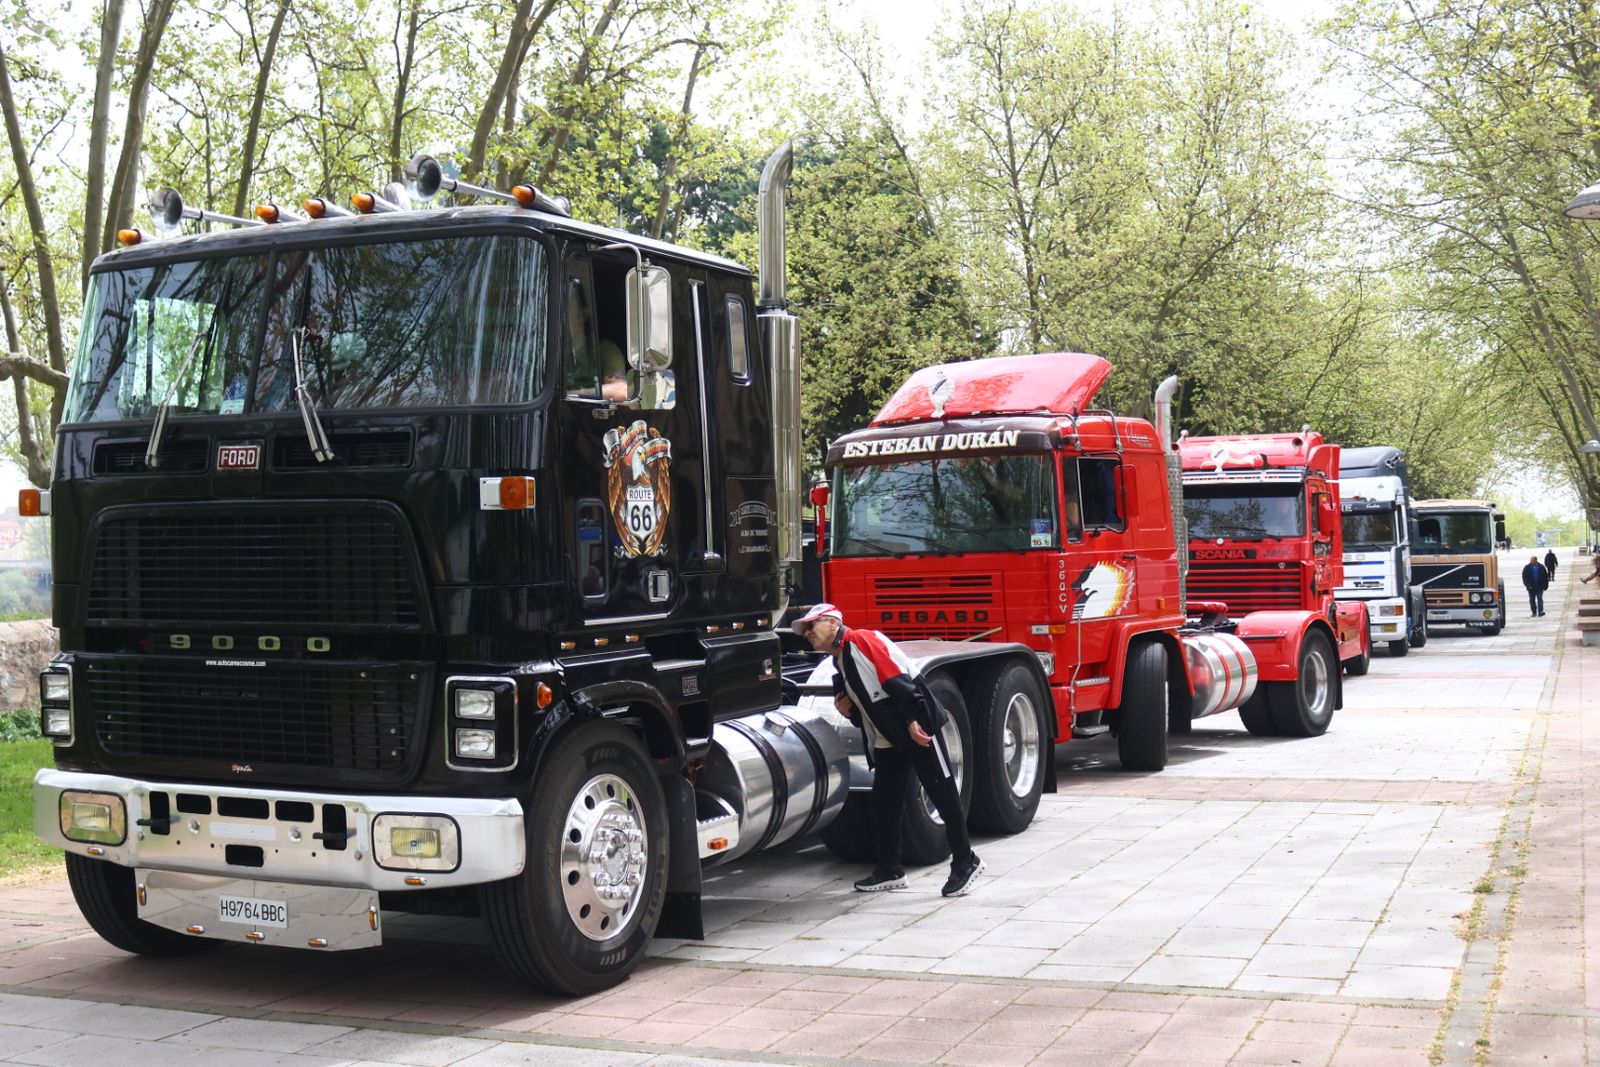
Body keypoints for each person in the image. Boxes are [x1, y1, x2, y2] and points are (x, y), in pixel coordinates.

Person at [794, 603, 983, 897]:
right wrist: (848, 712)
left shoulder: (860, 640)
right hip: (889, 738)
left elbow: (895, 676)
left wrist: (912, 719)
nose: (807, 632)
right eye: (804, 629)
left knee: (942, 793)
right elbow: (866, 706)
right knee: (885, 803)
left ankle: (965, 862)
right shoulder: (840, 661)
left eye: (812, 625)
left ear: (833, 623)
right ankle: (890, 869)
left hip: (916, 727)